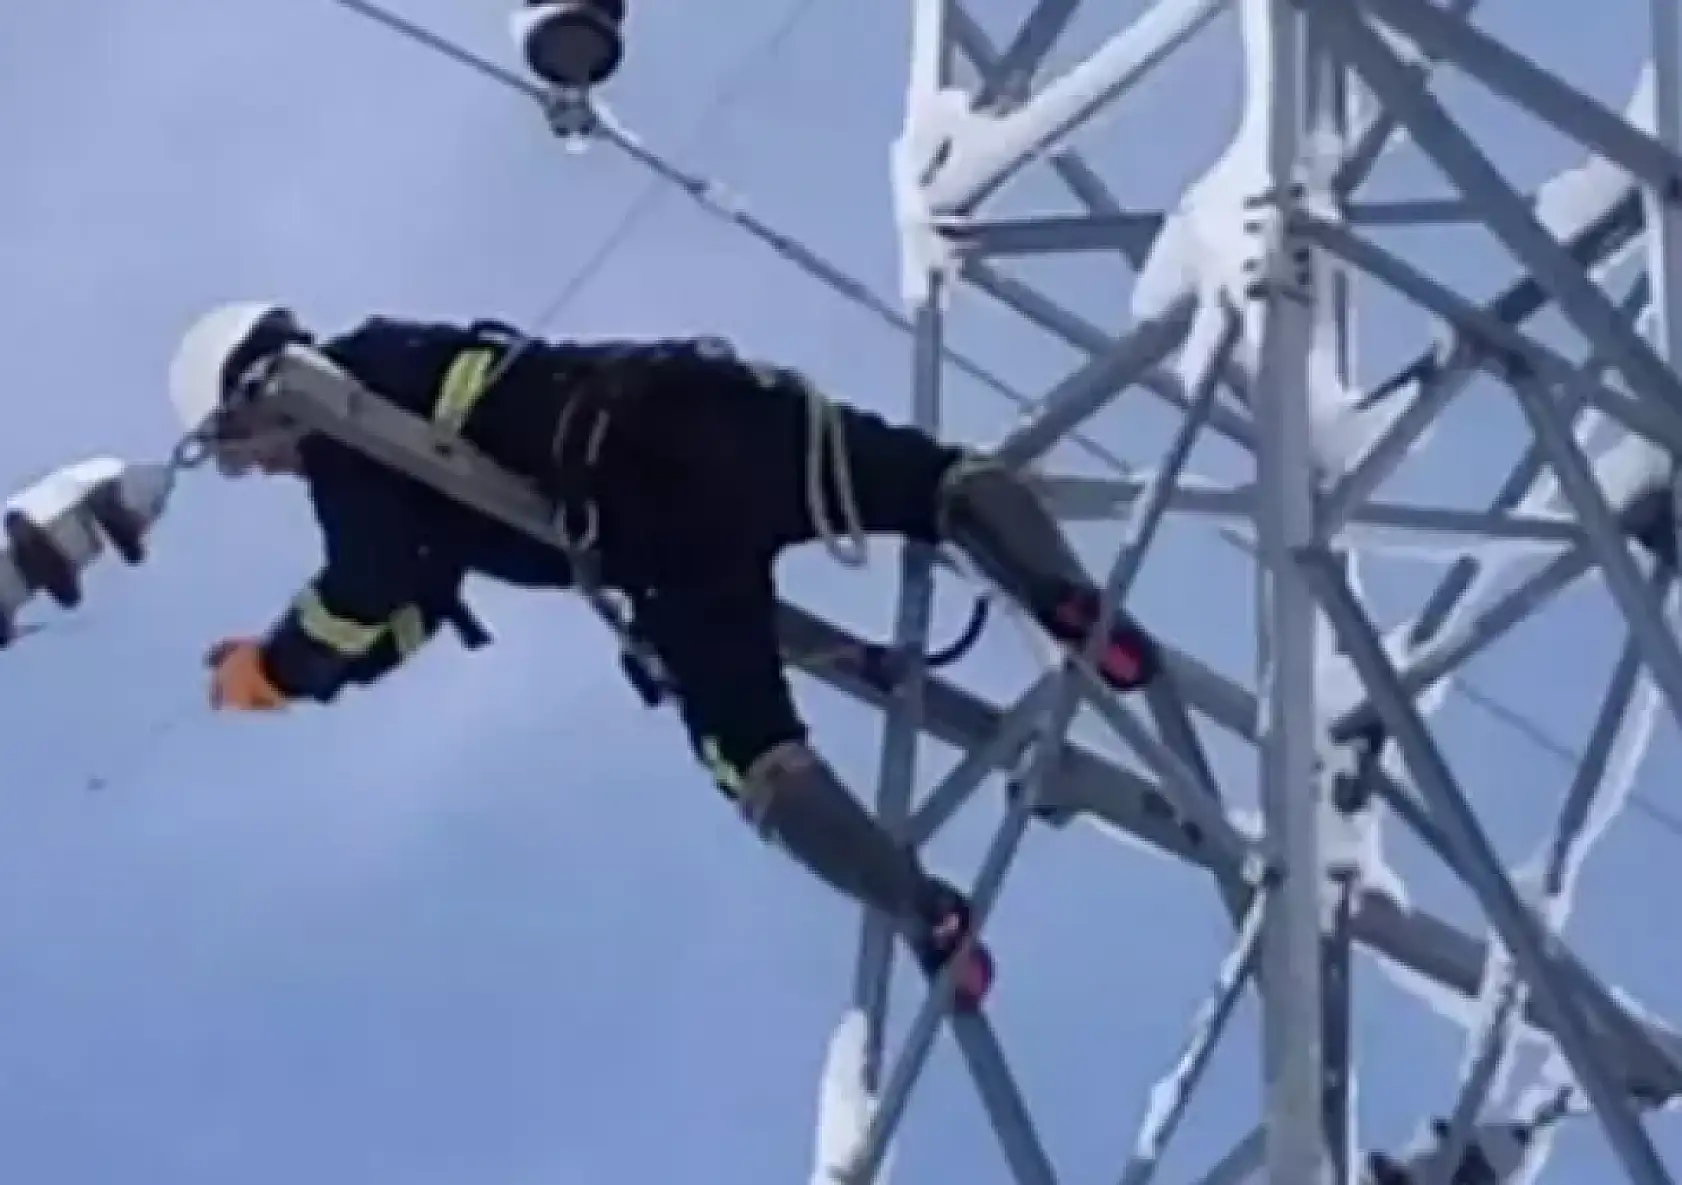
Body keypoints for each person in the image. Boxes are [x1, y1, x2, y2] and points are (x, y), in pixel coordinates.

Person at [173, 302, 1162, 1011]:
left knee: (751, 749)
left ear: (249, 403)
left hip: (646, 499)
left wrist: (274, 670)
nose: (259, 469)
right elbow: (417, 594)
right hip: (729, 404)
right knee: (931, 481)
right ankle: (1067, 600)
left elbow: (368, 583)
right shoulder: (408, 371)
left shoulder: (337, 414)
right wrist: (311, 667)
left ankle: (924, 913)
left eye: (241, 451)